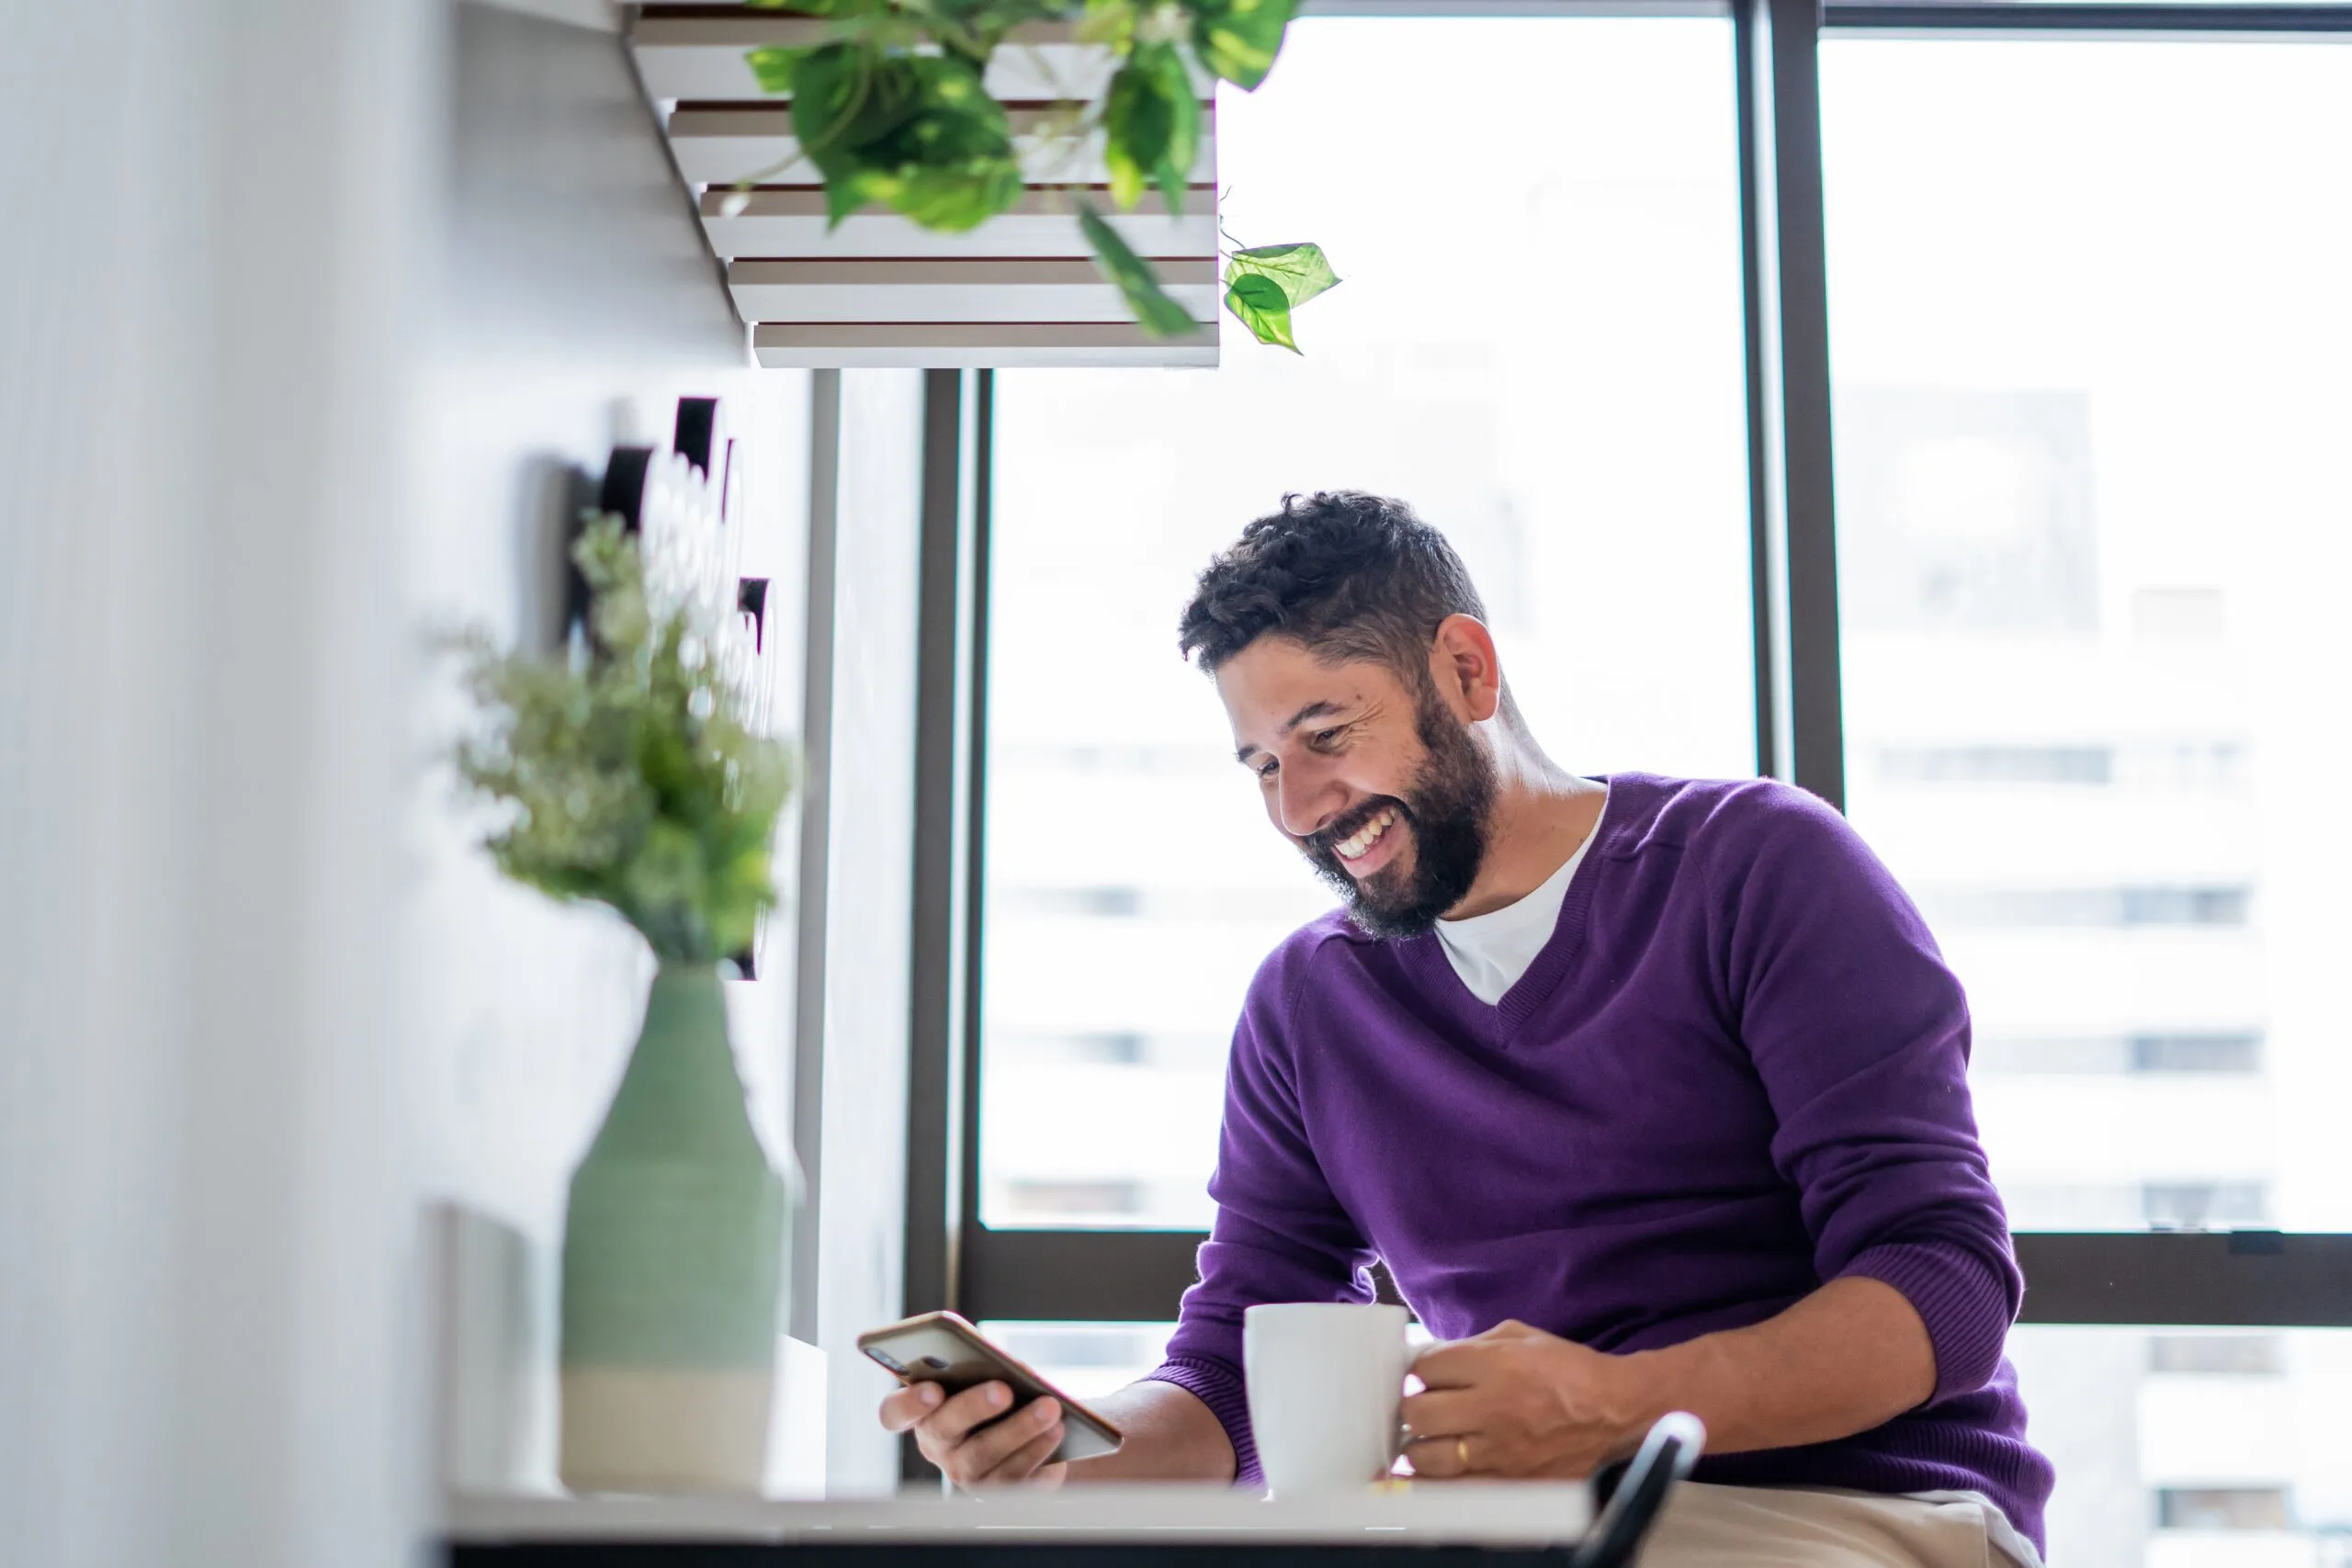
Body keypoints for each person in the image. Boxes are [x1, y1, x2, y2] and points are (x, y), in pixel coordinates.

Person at [880, 492, 2054, 1567]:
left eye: (1326, 736)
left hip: (1867, 1513)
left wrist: (1614, 1404)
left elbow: (1940, 1281)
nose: (1296, 809)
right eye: (1261, 766)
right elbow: (1236, 1370)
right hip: (1527, 1531)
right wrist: (1062, 1454)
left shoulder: (1756, 871)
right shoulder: (1310, 1007)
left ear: (1464, 668)